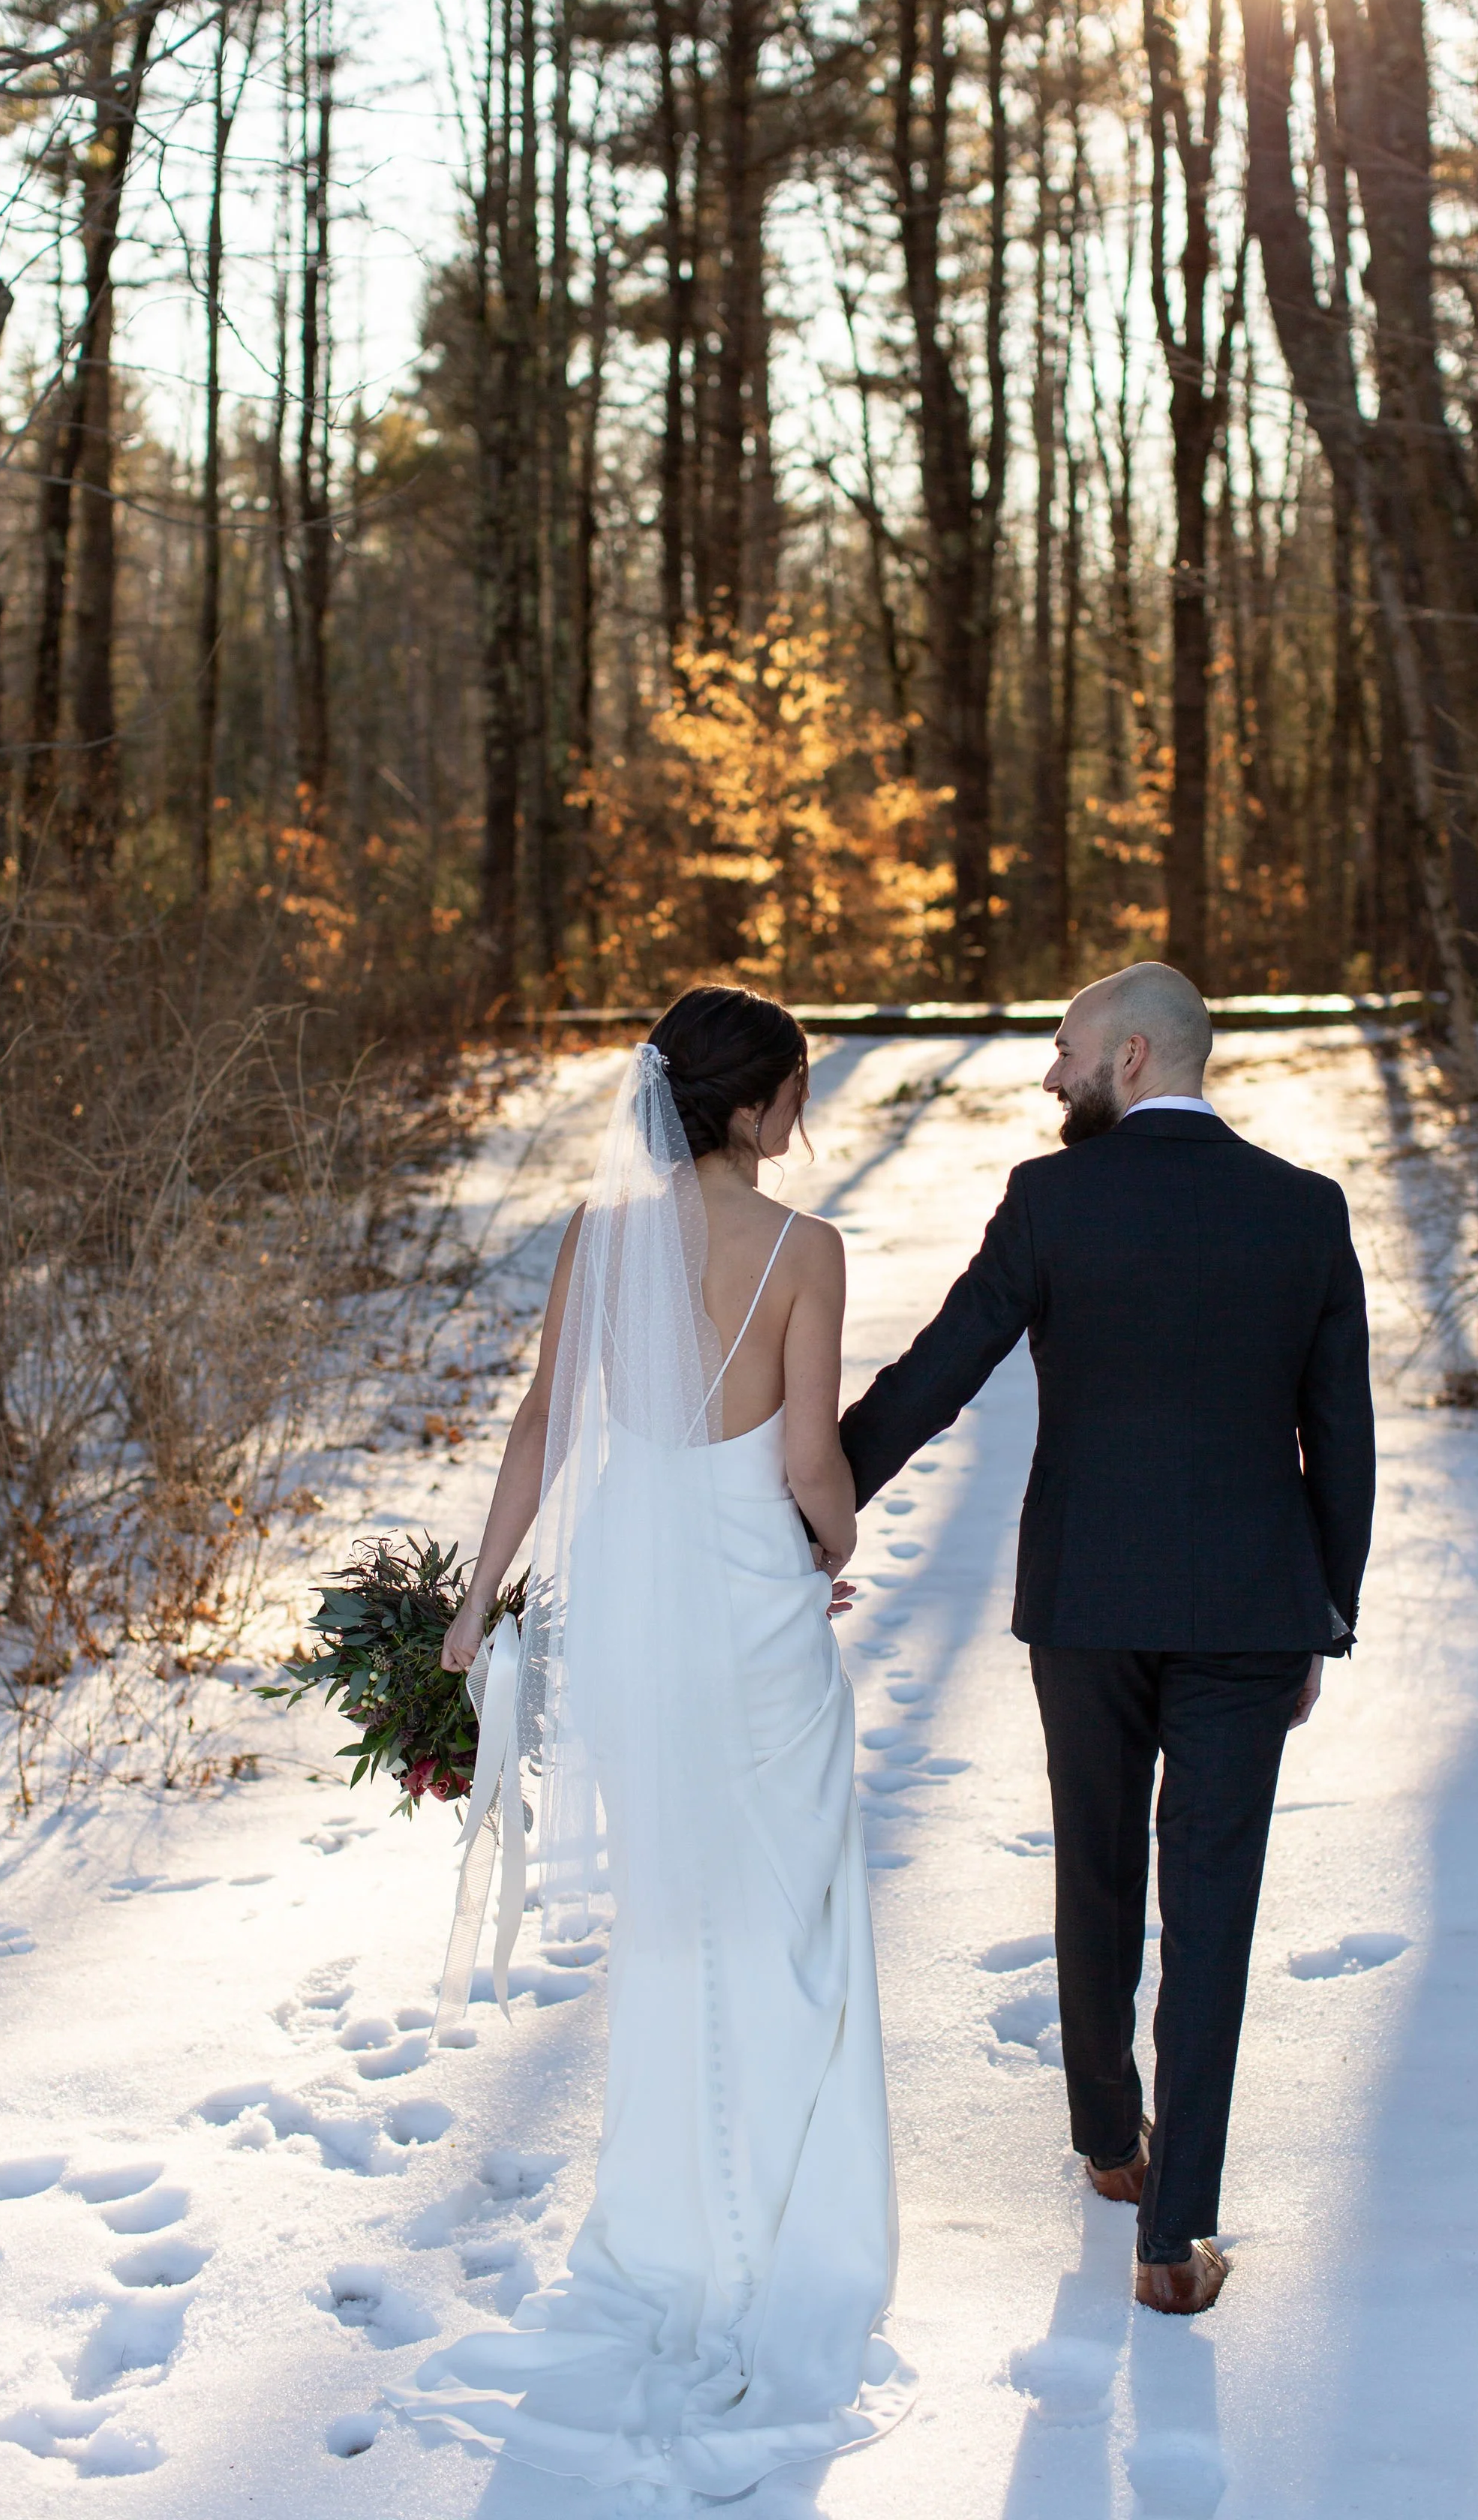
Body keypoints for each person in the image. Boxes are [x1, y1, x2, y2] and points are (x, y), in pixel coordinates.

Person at [386, 987, 914, 2495]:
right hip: (747, 1589)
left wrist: (478, 1602)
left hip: (629, 1590)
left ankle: (675, 2207)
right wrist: (833, 1545)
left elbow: (547, 1420)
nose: (803, 1116)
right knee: (786, 1895)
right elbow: (810, 1454)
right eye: (797, 1091)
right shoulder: (804, 1249)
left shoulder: (597, 1234)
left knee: (670, 1900)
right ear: (753, 1108)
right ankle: (785, 2210)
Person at [840, 961, 1376, 2316]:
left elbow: (938, 1373)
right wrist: (1324, 1607)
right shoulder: (1305, 1213)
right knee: (1214, 1909)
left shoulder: (1053, 1199)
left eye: (1066, 1047)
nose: (1049, 1074)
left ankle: (1108, 2143)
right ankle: (1174, 2237)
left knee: (1094, 1863)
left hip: (1087, 1600)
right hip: (1252, 1608)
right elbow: (1345, 1442)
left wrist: (811, 1507)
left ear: (1134, 1056)